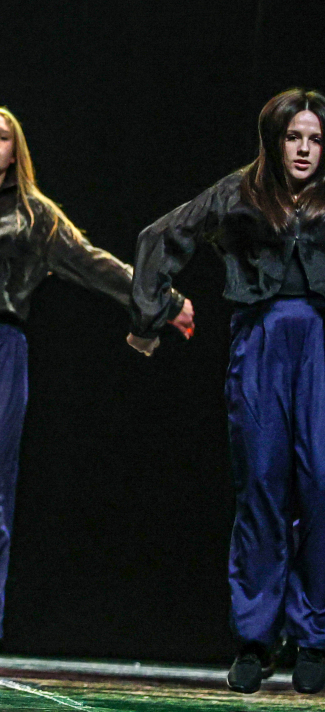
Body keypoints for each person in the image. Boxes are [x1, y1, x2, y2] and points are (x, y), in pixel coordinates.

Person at [0, 105, 193, 664]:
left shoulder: (35, 214)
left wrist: (161, 301)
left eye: (4, 136)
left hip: (1, 348)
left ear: (15, 149)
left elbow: (92, 263)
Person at [130, 88, 325, 696]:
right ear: (274, 139)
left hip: (321, 343)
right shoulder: (239, 191)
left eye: (316, 139)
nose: (304, 149)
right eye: (294, 137)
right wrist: (150, 315)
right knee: (262, 482)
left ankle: (315, 636)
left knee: (321, 483)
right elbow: (160, 237)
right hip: (261, 341)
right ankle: (255, 638)